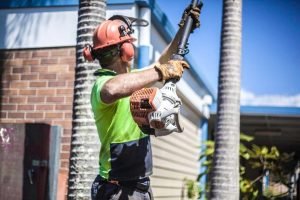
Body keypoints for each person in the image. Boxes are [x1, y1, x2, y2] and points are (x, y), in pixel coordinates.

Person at [83, 8, 200, 200]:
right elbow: (113, 89)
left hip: (139, 186)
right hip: (116, 189)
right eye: (129, 44)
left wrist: (184, 28)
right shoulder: (101, 85)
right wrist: (162, 72)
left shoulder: (134, 79)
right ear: (126, 51)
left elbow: (163, 61)